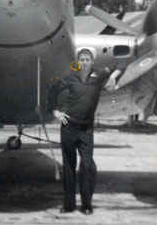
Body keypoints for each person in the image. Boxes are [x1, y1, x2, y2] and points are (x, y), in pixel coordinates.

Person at [46, 47, 121, 215]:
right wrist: (55, 111)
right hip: (68, 127)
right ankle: (69, 204)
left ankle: (87, 204)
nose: (85, 62)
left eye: (87, 59)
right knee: (69, 167)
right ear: (78, 61)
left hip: (86, 129)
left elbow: (119, 65)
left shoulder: (99, 76)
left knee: (87, 166)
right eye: (82, 59)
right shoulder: (69, 78)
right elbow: (52, 90)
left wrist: (113, 78)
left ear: (92, 61)